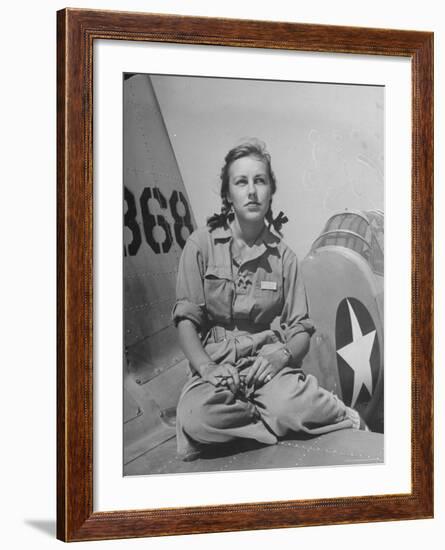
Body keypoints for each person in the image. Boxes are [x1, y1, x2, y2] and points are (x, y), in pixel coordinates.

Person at [172, 140, 363, 461]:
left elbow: (301, 330)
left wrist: (281, 356)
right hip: (216, 368)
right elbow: (186, 321)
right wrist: (205, 368)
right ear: (227, 192)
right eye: (241, 181)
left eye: (259, 181)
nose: (251, 191)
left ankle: (341, 413)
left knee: (292, 406)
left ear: (270, 190)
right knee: (198, 419)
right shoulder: (199, 245)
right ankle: (275, 419)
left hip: (267, 366)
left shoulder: (283, 256)